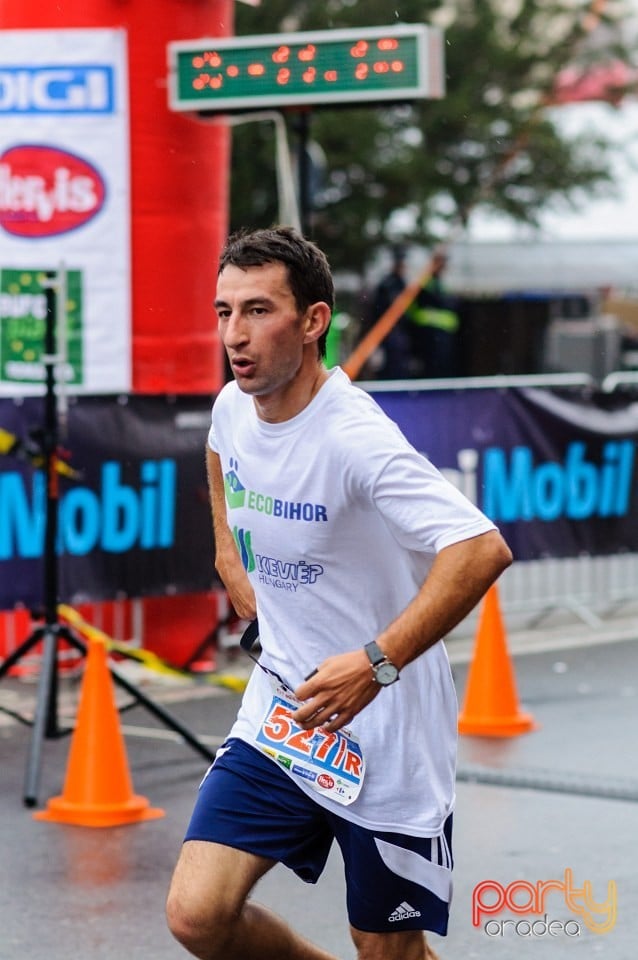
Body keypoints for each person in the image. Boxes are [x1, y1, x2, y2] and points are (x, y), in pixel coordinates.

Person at [166, 226, 512, 960]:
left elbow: (481, 547)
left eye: (258, 311)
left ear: (313, 321)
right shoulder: (235, 403)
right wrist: (227, 550)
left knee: (385, 947)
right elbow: (220, 449)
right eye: (224, 311)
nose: (235, 334)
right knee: (198, 916)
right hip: (284, 713)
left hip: (386, 729)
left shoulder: (355, 438)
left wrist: (376, 662)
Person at [406, 249, 461, 378]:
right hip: (429, 335)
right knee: (431, 368)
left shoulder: (440, 283)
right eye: (441, 263)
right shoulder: (425, 283)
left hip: (442, 335)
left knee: (442, 367)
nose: (444, 267)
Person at [370, 245, 414, 379]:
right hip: (387, 333)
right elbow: (377, 310)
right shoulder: (386, 285)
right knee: (389, 367)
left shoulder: (403, 284)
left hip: (400, 334)